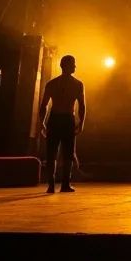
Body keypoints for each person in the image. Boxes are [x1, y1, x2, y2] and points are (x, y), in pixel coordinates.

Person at [39, 54, 86, 193]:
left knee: (55, 152)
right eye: (73, 64)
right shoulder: (77, 84)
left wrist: (42, 122)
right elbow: (82, 106)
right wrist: (81, 122)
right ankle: (62, 184)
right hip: (65, 119)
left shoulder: (52, 83)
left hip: (56, 119)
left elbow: (44, 106)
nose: (75, 66)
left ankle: (53, 184)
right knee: (64, 153)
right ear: (65, 65)